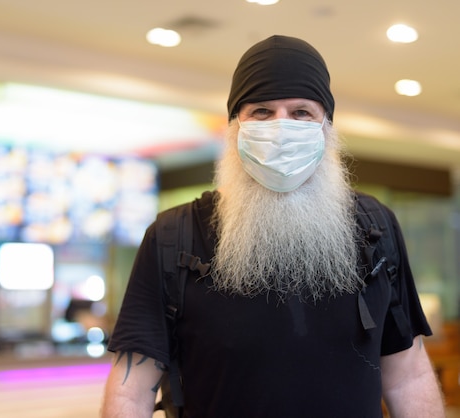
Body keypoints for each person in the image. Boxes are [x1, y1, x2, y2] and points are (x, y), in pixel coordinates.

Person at [101, 35, 445, 418]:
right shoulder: (173, 236)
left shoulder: (374, 227)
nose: (282, 129)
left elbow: (407, 377)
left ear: (326, 128)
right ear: (234, 127)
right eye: (262, 111)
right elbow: (132, 391)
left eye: (301, 113)